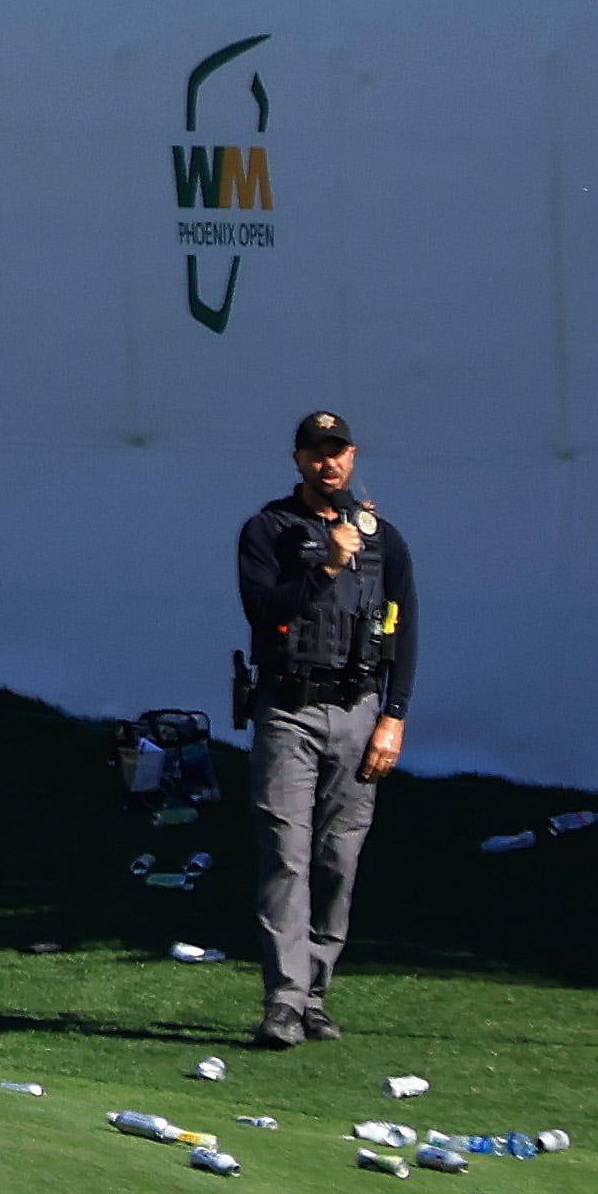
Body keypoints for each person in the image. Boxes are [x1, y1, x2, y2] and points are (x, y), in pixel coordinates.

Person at [235, 406, 414, 1044]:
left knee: (339, 858)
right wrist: (326, 568)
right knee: (287, 854)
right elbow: (261, 610)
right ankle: (282, 1001)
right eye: (316, 452)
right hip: (288, 708)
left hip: (360, 709)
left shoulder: (383, 538)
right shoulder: (268, 529)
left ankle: (314, 992)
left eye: (337, 451)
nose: (328, 462)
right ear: (298, 461)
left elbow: (405, 629)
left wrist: (393, 719)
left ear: (353, 456)